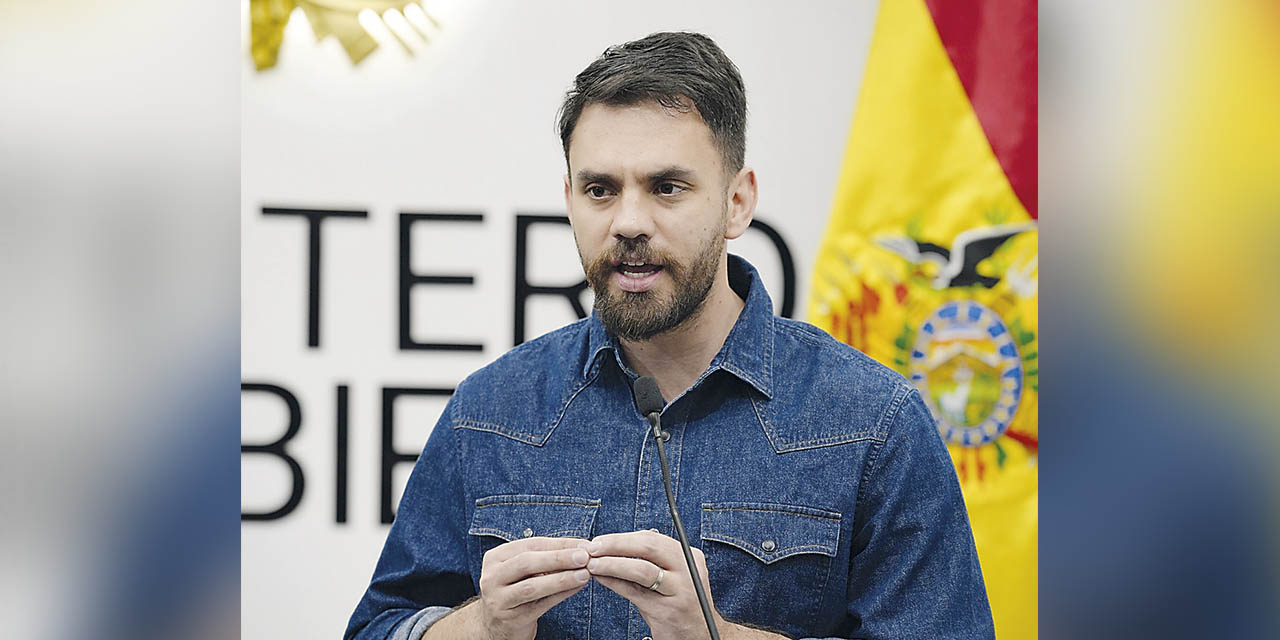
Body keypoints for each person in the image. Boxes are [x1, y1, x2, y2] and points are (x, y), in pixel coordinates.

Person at [344, 31, 994, 640]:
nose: (629, 221)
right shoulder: (490, 414)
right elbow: (379, 626)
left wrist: (715, 635)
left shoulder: (873, 425)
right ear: (569, 199)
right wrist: (482, 626)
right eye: (601, 189)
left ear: (737, 202)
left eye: (667, 187)